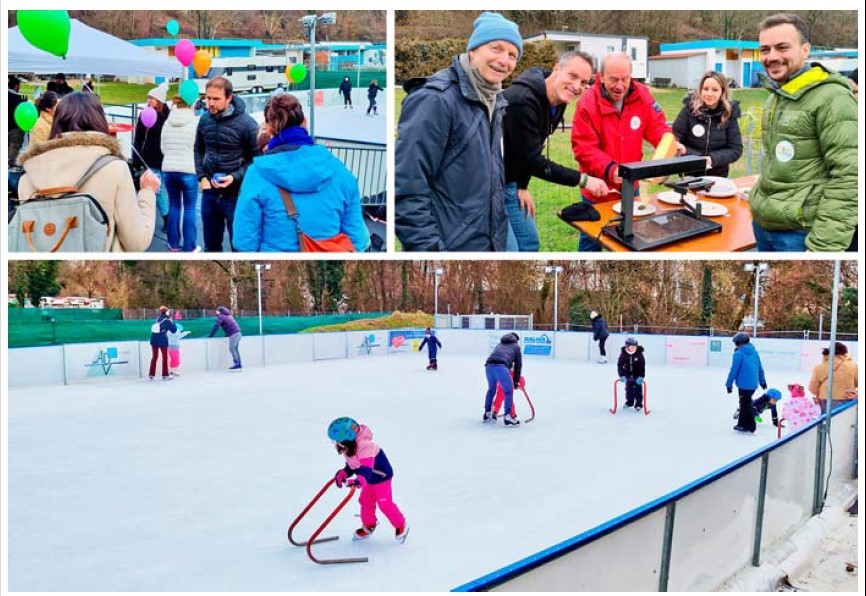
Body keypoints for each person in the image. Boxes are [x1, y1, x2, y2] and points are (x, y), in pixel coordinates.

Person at [395, 12, 522, 252]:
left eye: (512, 55)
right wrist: (431, 252)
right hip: (450, 247)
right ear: (473, 50)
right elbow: (407, 187)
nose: (504, 60)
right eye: (496, 48)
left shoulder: (495, 101)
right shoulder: (435, 100)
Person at [749, 13, 857, 252]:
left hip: (800, 233)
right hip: (765, 226)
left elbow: (850, 176)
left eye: (782, 47)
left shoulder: (832, 97)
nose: (771, 57)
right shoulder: (776, 97)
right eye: (765, 50)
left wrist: (823, 247)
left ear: (805, 50)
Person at [15, 92, 159, 252]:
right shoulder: (115, 169)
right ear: (99, 120)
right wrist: (147, 192)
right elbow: (136, 242)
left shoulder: (29, 177)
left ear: (57, 122)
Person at [232, 93, 370, 252]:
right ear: (304, 122)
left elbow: (244, 241)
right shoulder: (339, 170)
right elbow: (357, 238)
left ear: (268, 128)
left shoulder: (256, 174)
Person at [571, 53, 680, 252]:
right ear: (600, 76)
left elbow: (657, 127)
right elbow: (584, 147)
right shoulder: (587, 103)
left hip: (631, 185)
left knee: (631, 238)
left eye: (625, 79)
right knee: (592, 240)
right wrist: (610, 169)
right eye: (613, 79)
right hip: (598, 188)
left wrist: (669, 142)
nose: (620, 86)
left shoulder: (643, 95)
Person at [501, 51, 609, 251]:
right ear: (557, 69)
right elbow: (532, 160)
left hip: (511, 184)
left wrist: (522, 186)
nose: (576, 86)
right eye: (572, 76)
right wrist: (583, 180)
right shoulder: (522, 101)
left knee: (529, 244)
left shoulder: (558, 100)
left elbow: (528, 146)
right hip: (488, 187)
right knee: (509, 250)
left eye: (584, 82)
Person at [194, 77, 260, 252]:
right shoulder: (204, 120)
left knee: (238, 248)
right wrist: (201, 177)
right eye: (208, 98)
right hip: (210, 192)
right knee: (211, 248)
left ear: (229, 98)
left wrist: (234, 177)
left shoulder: (247, 124)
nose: (210, 103)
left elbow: (256, 160)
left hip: (235, 195)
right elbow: (198, 150)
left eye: (216, 99)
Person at [328, 417, 408, 543]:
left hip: (381, 477)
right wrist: (344, 473)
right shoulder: (350, 447)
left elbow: (366, 467)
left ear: (346, 438)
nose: (336, 445)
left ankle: (401, 524)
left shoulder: (365, 446)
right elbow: (354, 465)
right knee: (365, 501)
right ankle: (369, 525)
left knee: (384, 503)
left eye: (337, 442)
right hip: (369, 479)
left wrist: (359, 480)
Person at [671, 71, 744, 177]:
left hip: (717, 176)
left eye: (715, 90)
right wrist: (692, 155)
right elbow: (675, 141)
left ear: (722, 92)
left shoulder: (729, 114)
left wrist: (712, 159)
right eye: (705, 89)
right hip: (689, 176)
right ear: (700, 90)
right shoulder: (688, 111)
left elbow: (736, 150)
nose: (709, 94)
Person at [160, 95, 201, 252]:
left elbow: (163, 148)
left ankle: (173, 244)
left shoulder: (167, 123)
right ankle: (190, 246)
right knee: (189, 208)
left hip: (169, 169)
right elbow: (200, 148)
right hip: (189, 170)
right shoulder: (196, 123)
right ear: (191, 104)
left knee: (174, 206)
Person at [133, 83, 170, 233]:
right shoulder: (145, 114)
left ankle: (164, 214)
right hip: (150, 157)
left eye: (151, 98)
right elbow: (139, 137)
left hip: (165, 157)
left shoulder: (168, 116)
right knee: (158, 189)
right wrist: (136, 157)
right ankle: (166, 216)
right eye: (148, 97)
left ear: (159, 100)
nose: (148, 100)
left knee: (162, 188)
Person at [725, 332, 768, 434]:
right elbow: (760, 368)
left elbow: (734, 370)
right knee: (744, 403)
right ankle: (741, 424)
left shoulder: (738, 354)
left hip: (744, 384)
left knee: (746, 405)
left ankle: (750, 426)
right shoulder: (754, 352)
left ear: (740, 343)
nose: (735, 345)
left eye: (736, 343)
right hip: (753, 383)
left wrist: (729, 384)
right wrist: (762, 381)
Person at [483, 332, 523, 426]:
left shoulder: (500, 344)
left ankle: (487, 413)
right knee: (508, 391)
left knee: (491, 390)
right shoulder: (516, 347)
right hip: (501, 367)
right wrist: (516, 382)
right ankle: (508, 416)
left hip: (488, 366)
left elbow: (500, 356)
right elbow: (518, 365)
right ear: (516, 340)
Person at [808, 342, 858, 413]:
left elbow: (812, 388)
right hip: (847, 399)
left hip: (826, 401)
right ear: (845, 353)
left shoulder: (818, 367)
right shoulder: (853, 366)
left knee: (828, 420)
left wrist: (822, 393)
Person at [208, 306, 243, 370]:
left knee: (232, 348)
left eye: (217, 311)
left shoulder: (221, 316)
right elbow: (230, 326)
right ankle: (239, 363)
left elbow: (216, 326)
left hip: (234, 335)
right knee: (235, 349)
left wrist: (211, 336)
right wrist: (226, 335)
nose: (216, 312)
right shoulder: (228, 316)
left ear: (219, 311)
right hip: (238, 333)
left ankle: (237, 363)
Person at [617, 337, 646, 410]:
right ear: (627, 346)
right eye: (631, 346)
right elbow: (620, 365)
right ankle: (629, 402)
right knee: (629, 389)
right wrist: (622, 375)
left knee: (638, 389)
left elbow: (642, 366)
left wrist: (641, 376)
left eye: (635, 346)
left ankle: (638, 404)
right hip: (627, 374)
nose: (633, 348)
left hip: (637, 375)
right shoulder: (623, 354)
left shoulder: (639, 354)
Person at [149, 306, 177, 381]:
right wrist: (172, 322)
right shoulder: (168, 321)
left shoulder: (157, 319)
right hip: (162, 341)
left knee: (154, 357)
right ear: (167, 312)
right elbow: (174, 330)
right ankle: (165, 375)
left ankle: (151, 374)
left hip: (154, 340)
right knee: (165, 358)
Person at [8, 76, 26, 167]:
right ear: (16, 86)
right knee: (14, 147)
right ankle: (11, 167)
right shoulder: (18, 99)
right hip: (15, 127)